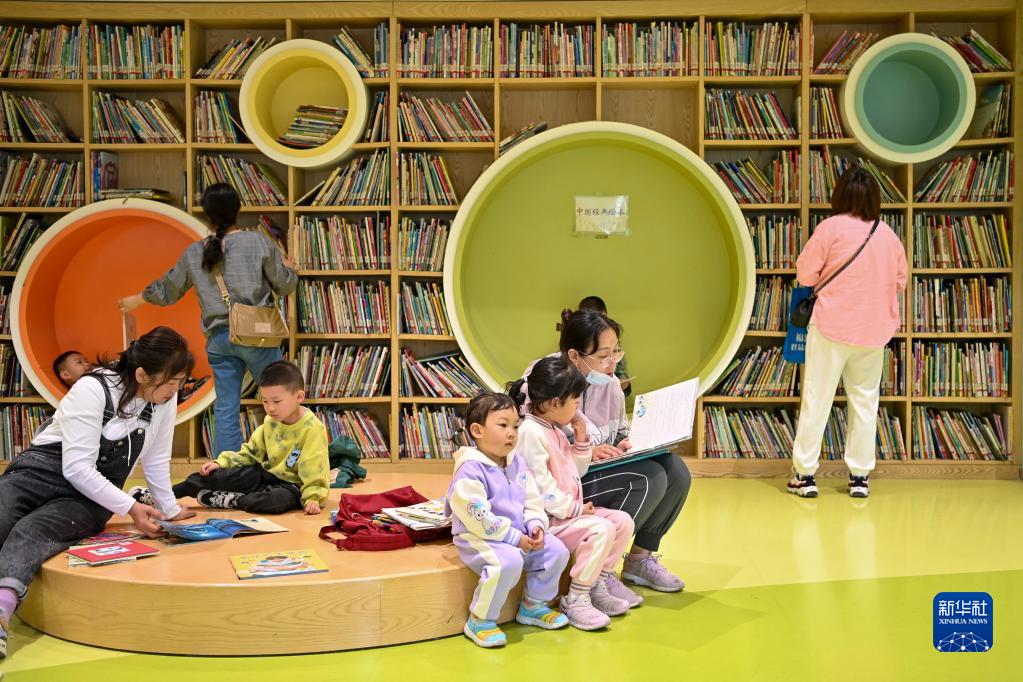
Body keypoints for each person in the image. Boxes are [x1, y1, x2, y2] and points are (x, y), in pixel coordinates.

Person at [0, 326, 198, 660]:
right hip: (39, 473)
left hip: (91, 496)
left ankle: (2, 613)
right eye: (171, 381)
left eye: (180, 381)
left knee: (32, 531)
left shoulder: (164, 399)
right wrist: (130, 507)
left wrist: (170, 509)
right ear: (141, 374)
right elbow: (77, 467)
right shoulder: (93, 388)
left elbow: (156, 458)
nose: (175, 389)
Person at [118, 183, 298, 457]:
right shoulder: (256, 242)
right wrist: (291, 271)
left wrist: (139, 298)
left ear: (206, 214)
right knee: (278, 398)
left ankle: (226, 466)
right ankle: (284, 459)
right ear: (237, 209)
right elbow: (284, 285)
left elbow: (169, 289)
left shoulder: (194, 252)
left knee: (226, 406)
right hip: (257, 336)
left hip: (219, 339)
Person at [523, 309, 689, 592]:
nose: (613, 363)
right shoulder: (544, 377)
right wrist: (586, 449)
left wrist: (627, 442)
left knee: (677, 471)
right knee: (649, 478)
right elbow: (532, 441)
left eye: (616, 353)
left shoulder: (611, 383)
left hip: (597, 467)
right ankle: (601, 570)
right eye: (603, 356)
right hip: (562, 483)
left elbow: (619, 431)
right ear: (574, 356)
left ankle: (639, 561)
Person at [788, 167, 908, 499]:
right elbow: (900, 282)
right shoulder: (888, 235)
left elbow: (805, 275)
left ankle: (805, 476)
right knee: (865, 402)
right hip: (874, 331)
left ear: (840, 195)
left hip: (831, 326)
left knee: (817, 399)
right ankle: (859, 477)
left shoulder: (829, 229)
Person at [511, 356, 638, 631]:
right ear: (555, 403)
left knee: (623, 522)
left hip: (565, 515)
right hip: (547, 521)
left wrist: (581, 442)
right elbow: (540, 490)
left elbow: (574, 472)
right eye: (576, 401)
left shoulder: (553, 429)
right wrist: (576, 510)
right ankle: (577, 597)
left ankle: (597, 584)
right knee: (602, 528)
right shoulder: (531, 432)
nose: (578, 407)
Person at [445, 392, 570, 648]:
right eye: (503, 425)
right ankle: (480, 620)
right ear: (477, 431)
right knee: (508, 562)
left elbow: (532, 498)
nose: (512, 433)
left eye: (515, 426)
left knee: (557, 551)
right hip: (478, 536)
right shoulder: (470, 468)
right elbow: (477, 517)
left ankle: (533, 605)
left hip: (517, 534)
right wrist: (514, 537)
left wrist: (535, 524)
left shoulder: (517, 462)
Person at [162, 360, 329, 515]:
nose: (270, 408)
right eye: (265, 401)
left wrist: (312, 498)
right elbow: (250, 453)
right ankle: (166, 494)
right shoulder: (271, 421)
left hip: (292, 486)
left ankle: (232, 500)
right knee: (217, 476)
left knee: (273, 502)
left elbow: (315, 469)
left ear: (299, 397)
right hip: (264, 474)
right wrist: (221, 463)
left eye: (277, 401)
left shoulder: (312, 429)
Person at [576, 296, 631, 396]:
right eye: (603, 355)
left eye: (615, 351)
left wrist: (623, 383)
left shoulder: (613, 344)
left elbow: (622, 376)